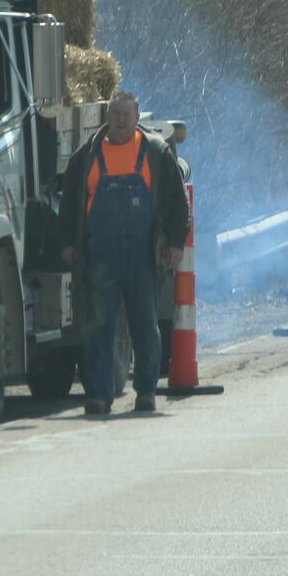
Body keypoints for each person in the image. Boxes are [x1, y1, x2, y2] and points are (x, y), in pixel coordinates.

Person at [59, 92, 190, 416]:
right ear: (107, 116)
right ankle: (99, 396)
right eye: (115, 114)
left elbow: (177, 203)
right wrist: (67, 244)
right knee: (98, 325)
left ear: (136, 118)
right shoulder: (85, 157)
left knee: (144, 324)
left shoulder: (156, 153)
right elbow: (68, 205)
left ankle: (145, 391)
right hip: (100, 256)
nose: (120, 120)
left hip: (143, 253)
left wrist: (175, 244)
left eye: (126, 114)